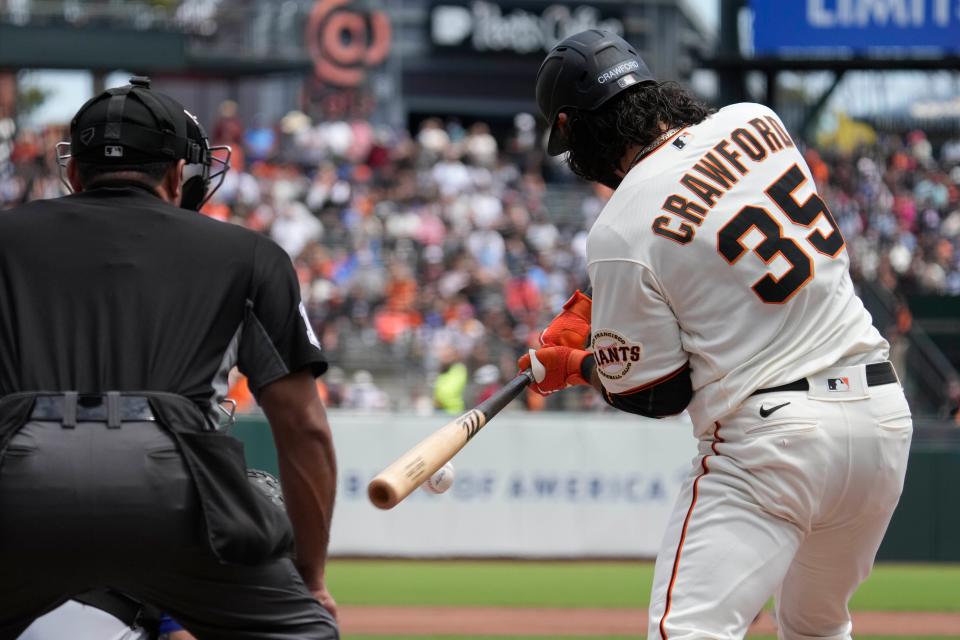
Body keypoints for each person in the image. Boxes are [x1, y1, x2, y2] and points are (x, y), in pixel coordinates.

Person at [520, 31, 912, 639]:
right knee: (817, 627)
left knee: (688, 631)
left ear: (573, 126)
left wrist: (579, 362)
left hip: (776, 441)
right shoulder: (758, 120)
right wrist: (603, 311)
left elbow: (656, 394)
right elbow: (714, 234)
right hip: (881, 421)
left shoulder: (619, 226)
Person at [0, 77, 339, 640]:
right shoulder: (248, 253)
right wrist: (309, 576)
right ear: (180, 174)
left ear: (75, 172)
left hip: (19, 477)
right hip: (174, 483)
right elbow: (304, 427)